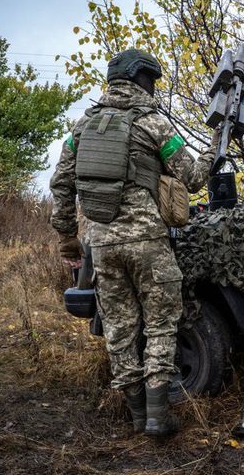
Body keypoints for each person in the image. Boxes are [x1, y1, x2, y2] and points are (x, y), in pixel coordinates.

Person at [50, 48, 218, 437]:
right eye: (152, 79)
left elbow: (61, 183)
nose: (154, 86)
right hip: (148, 243)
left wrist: (68, 241)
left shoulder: (82, 128)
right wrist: (213, 148)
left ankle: (138, 415)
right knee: (160, 325)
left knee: (120, 329)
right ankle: (158, 417)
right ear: (141, 78)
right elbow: (192, 177)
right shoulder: (153, 124)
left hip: (102, 245)